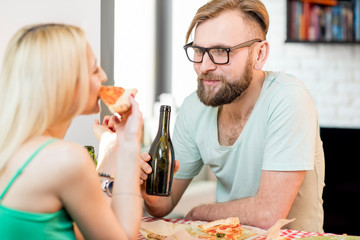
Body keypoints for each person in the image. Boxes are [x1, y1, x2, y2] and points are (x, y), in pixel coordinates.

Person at [140, 0, 325, 233]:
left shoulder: (288, 98)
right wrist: (145, 185)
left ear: (259, 54)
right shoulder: (193, 107)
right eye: (198, 51)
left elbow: (268, 214)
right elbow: (162, 204)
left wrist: (198, 213)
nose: (204, 66)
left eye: (221, 51)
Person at [0, 23, 143, 239]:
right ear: (65, 81)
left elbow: (84, 229)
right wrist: (130, 144)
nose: (103, 76)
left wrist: (113, 148)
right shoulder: (66, 158)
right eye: (94, 69)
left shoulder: (16, 150)